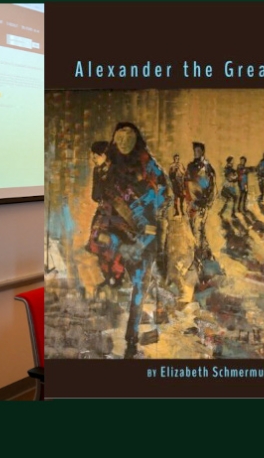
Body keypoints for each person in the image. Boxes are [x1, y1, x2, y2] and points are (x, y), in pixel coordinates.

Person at [104, 123, 167, 358]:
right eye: (120, 137)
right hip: (120, 233)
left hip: (146, 233)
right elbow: (102, 197)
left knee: (140, 283)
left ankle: (131, 336)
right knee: (131, 280)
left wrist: (148, 202)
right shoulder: (110, 167)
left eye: (129, 137)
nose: (124, 142)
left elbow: (164, 191)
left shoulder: (147, 163)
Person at [85, 140, 125, 288]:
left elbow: (122, 193)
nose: (93, 159)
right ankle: (108, 276)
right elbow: (95, 196)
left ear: (105, 155)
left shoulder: (117, 171)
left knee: (114, 245)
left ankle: (117, 276)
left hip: (117, 214)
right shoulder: (97, 171)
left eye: (97, 155)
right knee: (97, 243)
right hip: (103, 212)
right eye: (93, 156)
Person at [185, 141, 217, 250]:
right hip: (191, 203)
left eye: (198, 151)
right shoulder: (190, 166)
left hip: (201, 203)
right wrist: (188, 201)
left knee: (198, 229)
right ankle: (205, 252)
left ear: (203, 152)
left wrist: (205, 202)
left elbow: (211, 186)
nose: (196, 153)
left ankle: (198, 258)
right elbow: (186, 183)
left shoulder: (207, 168)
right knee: (194, 228)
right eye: (195, 151)